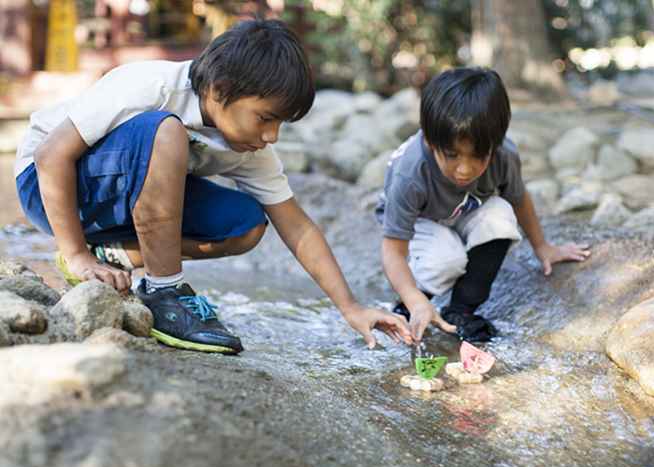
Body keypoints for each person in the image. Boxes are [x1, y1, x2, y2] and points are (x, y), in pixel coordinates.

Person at [15, 19, 411, 355]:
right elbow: (52, 156)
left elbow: (299, 227)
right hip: (49, 185)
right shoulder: (152, 85)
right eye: (264, 118)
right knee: (165, 132)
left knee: (247, 222)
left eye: (280, 124)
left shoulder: (249, 147)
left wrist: (351, 308)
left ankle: (115, 254)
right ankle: (163, 292)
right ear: (220, 89)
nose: (271, 136)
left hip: (113, 208)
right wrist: (76, 253)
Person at [376, 67, 590, 343]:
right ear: (430, 141)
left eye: (478, 155)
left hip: (464, 209)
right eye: (452, 155)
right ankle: (411, 305)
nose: (465, 169)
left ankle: (461, 310)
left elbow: (519, 199)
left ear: (495, 144)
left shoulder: (504, 156)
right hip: (422, 219)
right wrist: (414, 298)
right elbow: (393, 252)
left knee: (501, 216)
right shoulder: (410, 174)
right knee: (446, 259)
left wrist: (543, 247)